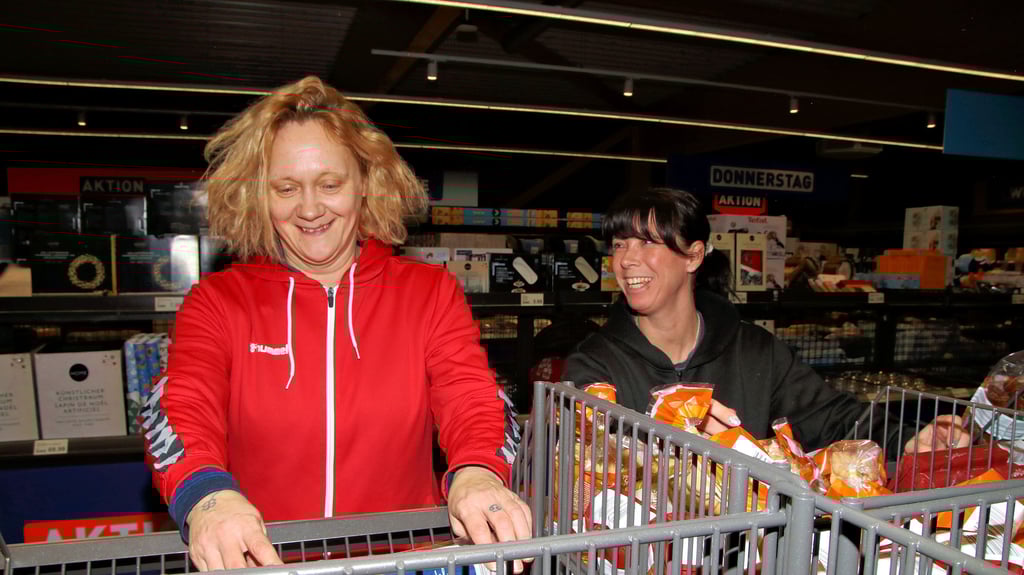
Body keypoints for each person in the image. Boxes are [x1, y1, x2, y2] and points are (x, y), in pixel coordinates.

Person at [143, 76, 530, 571]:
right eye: (287, 188)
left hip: (400, 562)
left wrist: (477, 472)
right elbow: (183, 406)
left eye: (330, 184)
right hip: (264, 562)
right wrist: (207, 497)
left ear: (366, 183)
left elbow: (471, 395)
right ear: (260, 195)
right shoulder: (218, 301)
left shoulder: (427, 292)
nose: (309, 209)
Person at [563, 188, 968, 456]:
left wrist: (913, 439)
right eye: (619, 245)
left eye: (647, 242)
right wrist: (668, 437)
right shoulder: (595, 364)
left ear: (694, 256)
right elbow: (592, 458)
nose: (626, 260)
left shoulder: (756, 351)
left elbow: (833, 418)